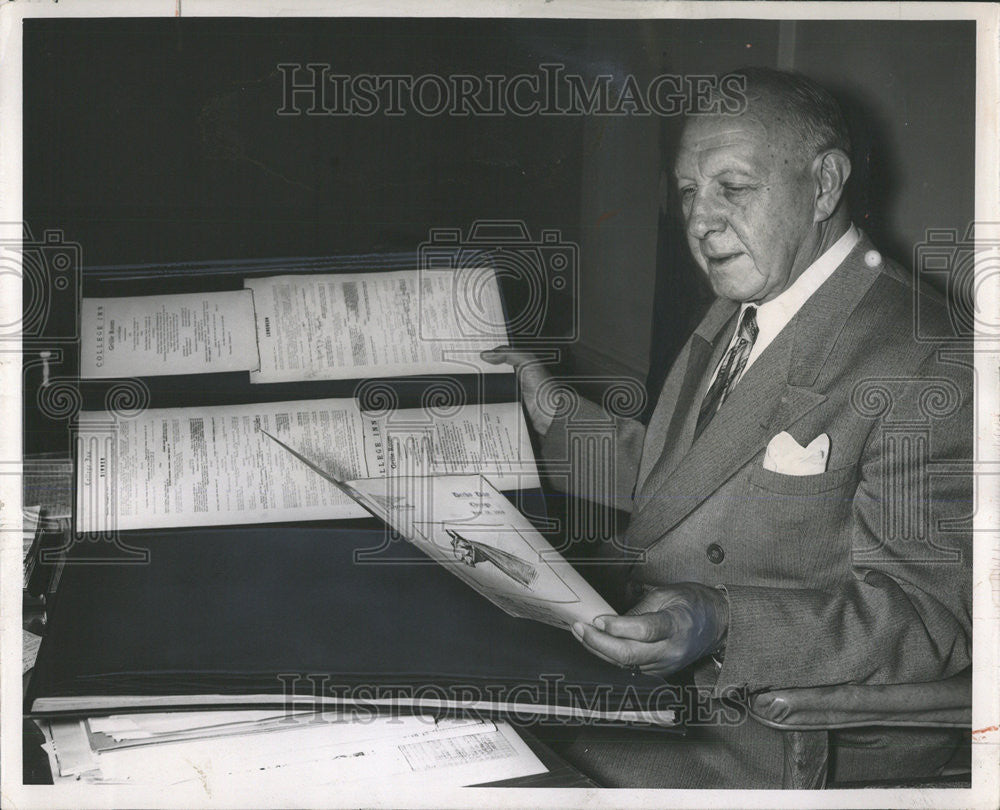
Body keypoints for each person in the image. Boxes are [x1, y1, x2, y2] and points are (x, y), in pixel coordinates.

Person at [483, 67, 972, 788]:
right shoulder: (743, 307)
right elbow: (691, 485)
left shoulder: (929, 357)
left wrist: (716, 619)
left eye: (732, 189)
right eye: (688, 192)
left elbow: (928, 624)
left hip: (788, 734)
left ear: (826, 185)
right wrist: (554, 418)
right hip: (670, 688)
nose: (700, 221)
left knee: (495, 776)